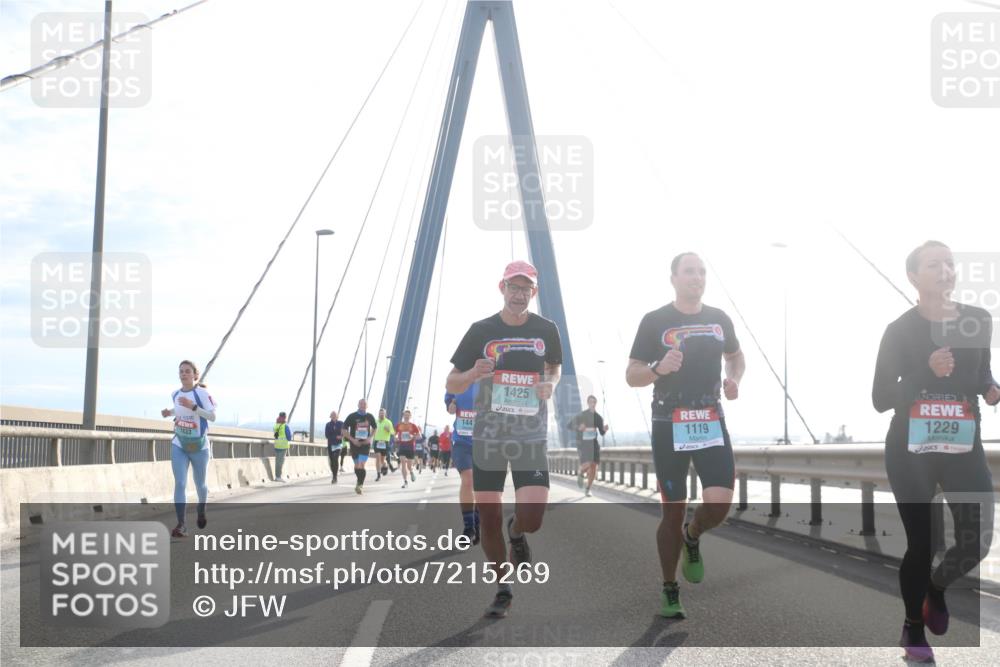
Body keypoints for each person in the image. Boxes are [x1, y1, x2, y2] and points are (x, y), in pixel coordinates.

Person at [872, 240, 999, 663]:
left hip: (962, 446)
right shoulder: (899, 329)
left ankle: (937, 587)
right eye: (934, 264)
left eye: (949, 263)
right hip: (912, 449)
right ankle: (912, 628)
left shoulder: (978, 320)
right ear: (914, 276)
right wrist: (924, 371)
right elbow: (879, 397)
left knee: (977, 540)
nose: (945, 270)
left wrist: (991, 389)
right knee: (923, 544)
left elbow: (981, 374)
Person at [627, 252, 745, 619]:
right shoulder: (655, 321)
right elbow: (632, 374)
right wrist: (658, 369)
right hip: (669, 421)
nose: (697, 277)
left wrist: (734, 380)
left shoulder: (719, 319)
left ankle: (693, 536)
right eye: (689, 271)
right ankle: (669, 587)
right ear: (674, 278)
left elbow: (736, 356)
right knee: (671, 512)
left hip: (710, 417)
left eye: (702, 272)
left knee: (720, 503)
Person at [446, 259, 562, 618]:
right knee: (489, 515)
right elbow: (452, 383)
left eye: (525, 288)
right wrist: (470, 373)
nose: (519, 294)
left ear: (534, 292)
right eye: (513, 287)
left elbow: (555, 368)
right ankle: (502, 587)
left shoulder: (547, 329)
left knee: (533, 516)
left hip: (529, 434)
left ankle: (518, 533)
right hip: (489, 436)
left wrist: (551, 384)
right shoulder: (481, 330)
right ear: (502, 289)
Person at [160, 360, 216, 538]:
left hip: (199, 446)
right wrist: (169, 412)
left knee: (200, 484)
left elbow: (212, 416)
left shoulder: (202, 393)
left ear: (195, 375)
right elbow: (180, 409)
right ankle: (181, 524)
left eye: (187, 371)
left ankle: (201, 509)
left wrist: (193, 407)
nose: (183, 374)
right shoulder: (175, 393)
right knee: (181, 483)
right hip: (180, 444)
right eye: (181, 371)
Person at [446, 385, 480, 543]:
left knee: (482, 487)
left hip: (486, 443)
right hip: (462, 440)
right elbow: (449, 404)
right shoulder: (459, 377)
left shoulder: (492, 376)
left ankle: (478, 524)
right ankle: (469, 528)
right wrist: (451, 406)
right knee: (468, 480)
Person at [567, 395, 609, 496]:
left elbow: (602, 433)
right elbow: (569, 426)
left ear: (596, 403)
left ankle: (588, 488)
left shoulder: (598, 417)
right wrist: (578, 427)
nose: (592, 404)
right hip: (582, 444)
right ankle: (581, 473)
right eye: (590, 402)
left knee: (594, 466)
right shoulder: (581, 415)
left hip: (593, 443)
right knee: (587, 465)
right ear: (588, 403)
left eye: (594, 402)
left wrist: (605, 429)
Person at [344, 399, 378, 495]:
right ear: (358, 405)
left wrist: (370, 438)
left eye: (365, 404)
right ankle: (359, 483)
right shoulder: (352, 416)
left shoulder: (370, 416)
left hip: (365, 444)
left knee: (361, 465)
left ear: (367, 406)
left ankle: (360, 485)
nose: (363, 405)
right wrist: (352, 440)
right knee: (356, 466)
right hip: (355, 444)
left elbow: (375, 428)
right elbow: (343, 430)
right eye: (361, 404)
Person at [395, 409, 421, 488]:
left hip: (410, 447)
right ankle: (405, 481)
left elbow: (419, 436)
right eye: (405, 415)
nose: (406, 416)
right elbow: (394, 433)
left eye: (408, 415)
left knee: (409, 466)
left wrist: (412, 436)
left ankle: (411, 472)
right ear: (403, 416)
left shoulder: (413, 426)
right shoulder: (399, 425)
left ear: (410, 416)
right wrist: (395, 437)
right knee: (403, 462)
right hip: (402, 446)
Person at [373, 407, 395, 480]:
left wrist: (388, 430)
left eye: (383, 413)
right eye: (380, 413)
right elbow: (372, 430)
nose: (381, 414)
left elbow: (393, 432)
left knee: (382, 460)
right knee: (378, 458)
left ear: (385, 414)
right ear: (378, 414)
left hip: (385, 442)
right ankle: (378, 475)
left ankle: (385, 465)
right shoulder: (375, 422)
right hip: (377, 441)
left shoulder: (388, 422)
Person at [325, 410, 345, 484]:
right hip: (330, 444)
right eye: (332, 415)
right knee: (332, 462)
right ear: (330, 416)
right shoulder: (328, 425)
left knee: (335, 459)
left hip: (338, 445)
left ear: (337, 416)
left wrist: (342, 436)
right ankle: (334, 474)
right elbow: (327, 435)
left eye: (335, 415)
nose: (333, 416)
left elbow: (345, 431)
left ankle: (334, 477)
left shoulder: (341, 423)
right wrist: (336, 437)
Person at [272, 412, 292, 483]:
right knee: (280, 462)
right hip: (283, 446)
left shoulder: (276, 425)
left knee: (277, 462)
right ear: (284, 417)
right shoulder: (285, 426)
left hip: (277, 445)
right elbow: (289, 437)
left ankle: (277, 476)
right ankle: (278, 477)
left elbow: (276, 436)